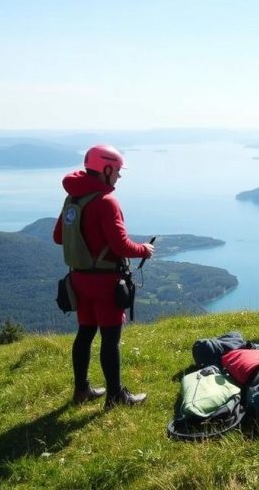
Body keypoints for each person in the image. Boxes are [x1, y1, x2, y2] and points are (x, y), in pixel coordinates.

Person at [53, 144, 155, 409]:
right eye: (118, 170)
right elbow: (121, 247)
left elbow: (58, 236)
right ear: (106, 168)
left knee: (85, 334)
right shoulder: (106, 201)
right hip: (104, 283)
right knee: (110, 339)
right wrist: (145, 249)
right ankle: (115, 396)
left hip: (78, 280)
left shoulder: (73, 199)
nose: (119, 177)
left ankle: (81, 390)